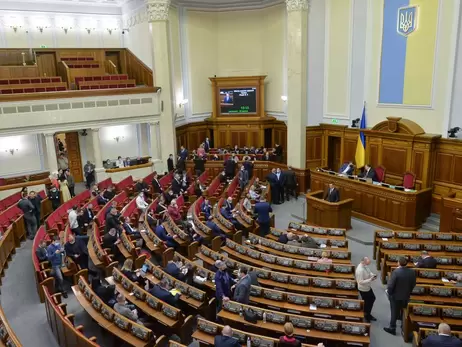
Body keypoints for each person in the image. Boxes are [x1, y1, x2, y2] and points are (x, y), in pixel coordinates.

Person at [383, 256, 417, 335]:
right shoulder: (412, 272)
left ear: (398, 263)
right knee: (404, 311)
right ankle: (403, 327)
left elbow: (391, 285)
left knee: (394, 312)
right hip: (406, 296)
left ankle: (392, 328)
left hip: (395, 296)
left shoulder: (396, 272)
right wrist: (409, 291)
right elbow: (413, 284)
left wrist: (389, 293)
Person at [355, 257, 377, 323]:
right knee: (367, 302)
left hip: (367, 287)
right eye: (368, 262)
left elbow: (369, 272)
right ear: (363, 262)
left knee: (372, 299)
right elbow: (360, 281)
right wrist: (370, 279)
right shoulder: (360, 270)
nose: (369, 264)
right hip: (363, 289)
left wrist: (373, 275)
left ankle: (368, 314)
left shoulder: (365, 266)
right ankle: (366, 315)